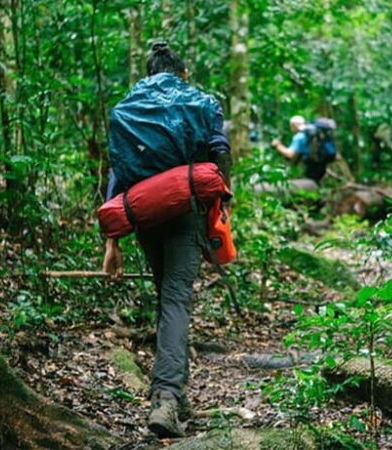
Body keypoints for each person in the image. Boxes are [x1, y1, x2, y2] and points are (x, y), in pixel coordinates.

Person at [102, 42, 231, 438]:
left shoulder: (126, 108)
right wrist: (222, 207)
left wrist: (112, 243)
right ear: (183, 72)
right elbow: (220, 153)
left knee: (166, 296)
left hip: (143, 214)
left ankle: (176, 391)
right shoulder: (200, 101)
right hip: (184, 211)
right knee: (176, 299)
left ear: (148, 72)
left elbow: (117, 173)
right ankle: (167, 398)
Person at [271, 115, 329, 183]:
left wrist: (278, 145)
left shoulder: (299, 136)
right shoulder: (314, 134)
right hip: (321, 166)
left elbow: (290, 154)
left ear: (294, 125)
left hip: (310, 168)